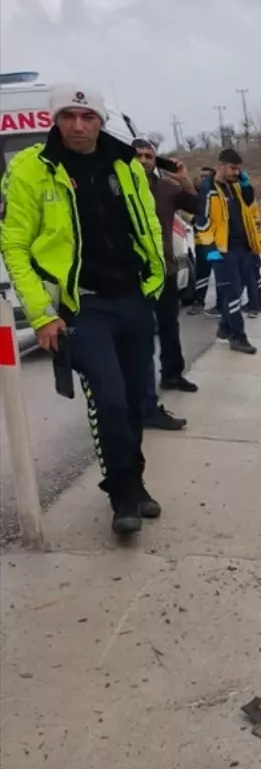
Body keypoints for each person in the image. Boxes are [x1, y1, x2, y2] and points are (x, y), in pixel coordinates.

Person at [0, 85, 165, 535]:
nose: (77, 125)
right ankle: (121, 495)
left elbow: (146, 221)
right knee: (109, 399)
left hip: (131, 296)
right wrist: (41, 314)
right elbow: (13, 244)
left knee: (136, 402)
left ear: (100, 120)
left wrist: (156, 280)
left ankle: (137, 482)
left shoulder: (125, 162)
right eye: (68, 115)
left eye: (86, 116)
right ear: (55, 119)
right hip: (82, 306)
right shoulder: (31, 168)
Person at [132, 138, 199, 430]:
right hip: (135, 275)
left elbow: (196, 206)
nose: (144, 160)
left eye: (149, 156)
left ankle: (173, 373)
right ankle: (141, 398)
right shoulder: (120, 186)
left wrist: (184, 179)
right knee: (141, 334)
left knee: (169, 325)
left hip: (166, 270)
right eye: (139, 156)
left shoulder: (166, 188)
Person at [194, 148, 261, 354]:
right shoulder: (208, 189)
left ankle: (225, 326)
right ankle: (237, 337)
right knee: (232, 292)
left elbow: (250, 203)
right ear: (220, 166)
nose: (236, 172)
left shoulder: (236, 186)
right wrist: (211, 252)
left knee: (238, 289)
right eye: (233, 168)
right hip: (223, 250)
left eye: (239, 169)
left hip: (243, 246)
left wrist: (245, 183)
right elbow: (201, 222)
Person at [187, 165, 217, 313]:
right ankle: (198, 302)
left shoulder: (216, 196)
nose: (203, 179)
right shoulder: (195, 196)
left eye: (207, 176)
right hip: (200, 243)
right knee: (201, 272)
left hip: (215, 244)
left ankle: (221, 304)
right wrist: (192, 218)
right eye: (201, 176)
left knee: (220, 273)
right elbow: (186, 213)